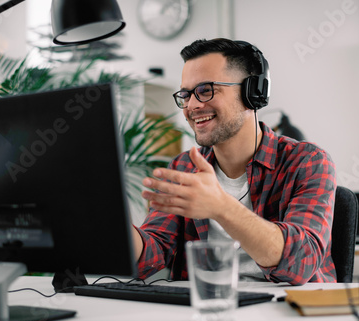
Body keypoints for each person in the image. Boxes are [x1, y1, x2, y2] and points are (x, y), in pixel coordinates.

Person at [131, 38, 337, 284]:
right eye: (185, 95)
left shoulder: (307, 162)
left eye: (205, 90)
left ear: (253, 94)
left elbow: (299, 264)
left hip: (286, 314)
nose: (192, 106)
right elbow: (149, 258)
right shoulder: (183, 168)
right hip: (210, 309)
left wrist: (220, 206)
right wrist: (108, 212)